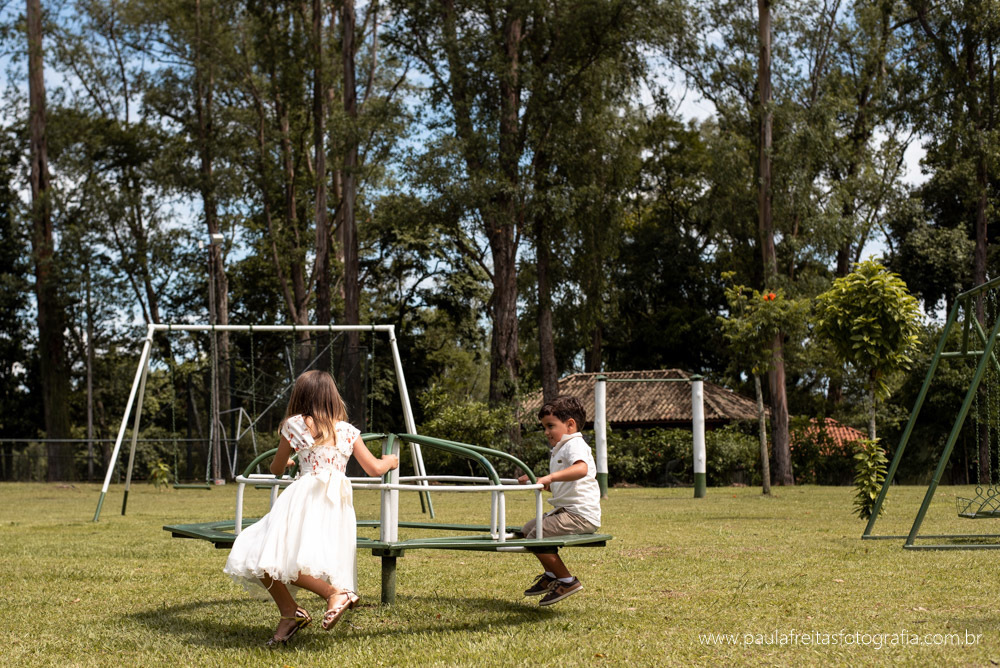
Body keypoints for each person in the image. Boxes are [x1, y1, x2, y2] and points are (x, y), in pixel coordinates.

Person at [224, 370, 399, 646]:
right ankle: (291, 613)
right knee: (268, 556)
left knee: (263, 553)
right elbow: (374, 468)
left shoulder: (294, 425)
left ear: (301, 396)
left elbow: (276, 468)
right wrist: (390, 461)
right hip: (335, 505)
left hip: (304, 499)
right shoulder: (347, 431)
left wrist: (291, 461)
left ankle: (332, 594)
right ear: (332, 396)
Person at [517, 395, 601, 606]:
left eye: (550, 426)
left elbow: (581, 469)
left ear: (570, 424)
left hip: (580, 514)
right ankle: (552, 575)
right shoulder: (561, 448)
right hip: (567, 511)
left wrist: (551, 477)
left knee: (537, 534)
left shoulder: (574, 444)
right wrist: (538, 481)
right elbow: (562, 484)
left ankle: (567, 580)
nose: (546, 432)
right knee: (528, 529)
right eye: (544, 427)